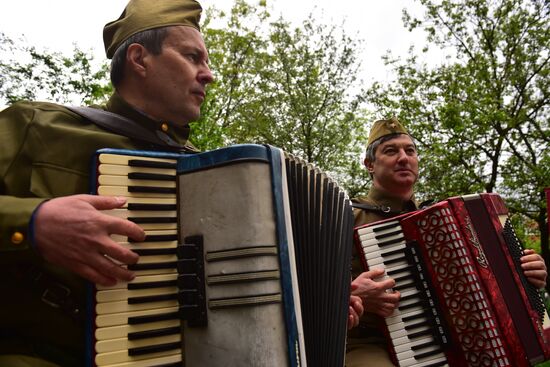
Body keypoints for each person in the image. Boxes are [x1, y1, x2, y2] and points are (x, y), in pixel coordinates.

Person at [0, 1, 213, 365]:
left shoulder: (209, 172)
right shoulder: (37, 127)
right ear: (139, 59)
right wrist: (32, 222)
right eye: (193, 57)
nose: (208, 74)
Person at [345, 117, 548, 366]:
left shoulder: (442, 218)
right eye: (390, 151)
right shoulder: (345, 216)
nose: (403, 158)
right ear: (369, 164)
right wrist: (351, 294)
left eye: (410, 151)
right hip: (369, 344)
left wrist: (527, 274)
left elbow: (487, 284)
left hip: (451, 345)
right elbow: (306, 285)